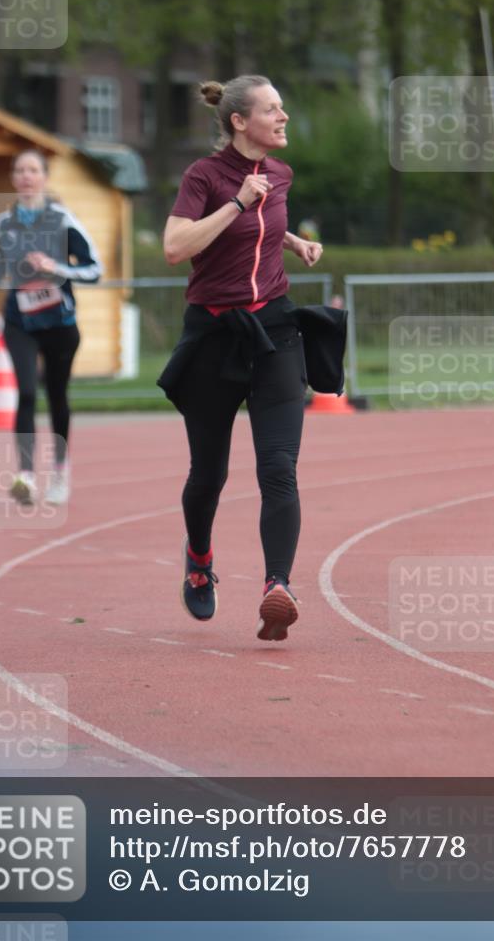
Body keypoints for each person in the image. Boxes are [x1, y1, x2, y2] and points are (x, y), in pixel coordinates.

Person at [159, 75, 346, 641]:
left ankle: (277, 588)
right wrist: (237, 202)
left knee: (278, 467)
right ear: (240, 121)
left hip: (274, 330)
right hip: (215, 335)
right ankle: (198, 558)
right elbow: (175, 247)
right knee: (209, 474)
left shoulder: (280, 174)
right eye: (272, 110)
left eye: (283, 108)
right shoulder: (204, 177)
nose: (284, 117)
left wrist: (294, 243)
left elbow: (263, 224)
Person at [0, 148, 102, 505]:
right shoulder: (4, 224)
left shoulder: (63, 220)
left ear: (44, 178)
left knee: (56, 395)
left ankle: (60, 472)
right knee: (27, 393)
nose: (26, 176)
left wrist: (56, 269)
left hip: (59, 323)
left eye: (33, 170)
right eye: (20, 170)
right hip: (19, 322)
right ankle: (27, 475)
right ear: (13, 178)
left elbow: (95, 269)